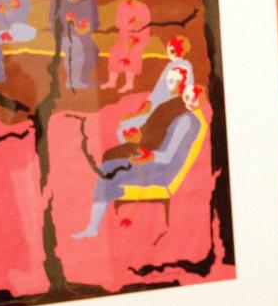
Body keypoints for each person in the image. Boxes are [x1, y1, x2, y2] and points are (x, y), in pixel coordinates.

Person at [71, 73, 202, 240]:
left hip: (162, 171)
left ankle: (93, 227)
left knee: (107, 170)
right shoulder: (176, 112)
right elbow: (156, 139)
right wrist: (139, 143)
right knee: (110, 160)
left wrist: (148, 155)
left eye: (176, 84)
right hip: (156, 161)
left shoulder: (186, 120)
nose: (171, 87)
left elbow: (168, 156)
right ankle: (104, 204)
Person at [118, 35, 194, 141]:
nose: (167, 52)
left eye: (169, 49)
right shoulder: (176, 65)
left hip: (165, 107)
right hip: (161, 104)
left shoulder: (179, 67)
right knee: (126, 124)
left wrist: (141, 111)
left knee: (126, 126)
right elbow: (160, 90)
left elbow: (166, 92)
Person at [101, 0, 152, 93]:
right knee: (115, 52)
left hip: (139, 38)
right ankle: (112, 82)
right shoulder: (122, 6)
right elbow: (118, 23)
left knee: (133, 54)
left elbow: (145, 26)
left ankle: (129, 84)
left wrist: (136, 33)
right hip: (124, 36)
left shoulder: (143, 7)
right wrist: (129, 23)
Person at [50, 0, 100, 90]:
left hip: (83, 33)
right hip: (65, 34)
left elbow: (95, 21)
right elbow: (54, 20)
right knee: (75, 49)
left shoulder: (88, 0)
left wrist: (88, 26)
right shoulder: (59, 0)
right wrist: (69, 23)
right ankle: (72, 80)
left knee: (93, 51)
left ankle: (82, 78)